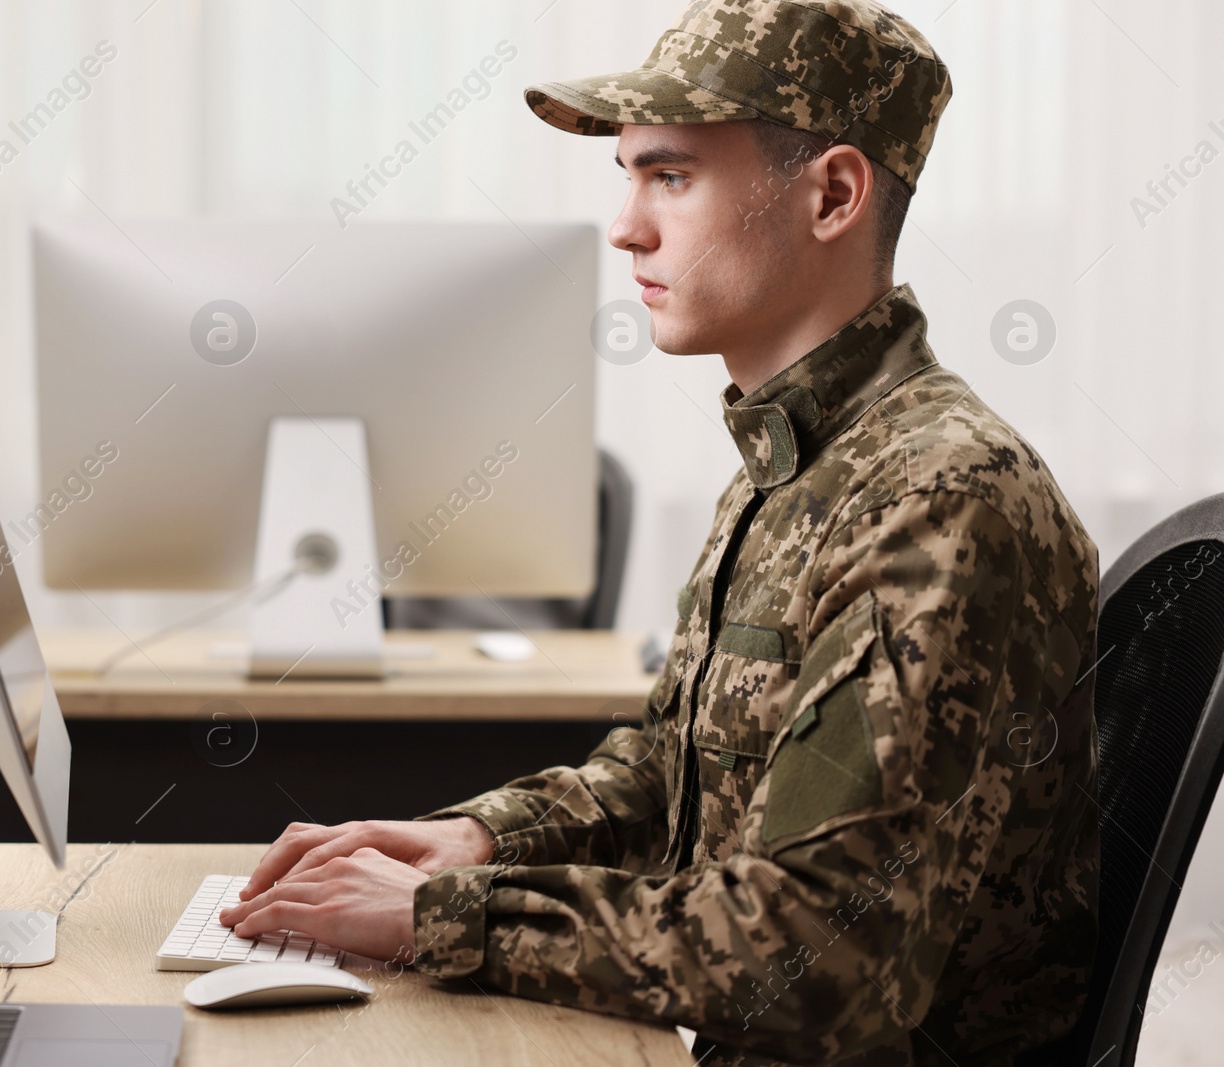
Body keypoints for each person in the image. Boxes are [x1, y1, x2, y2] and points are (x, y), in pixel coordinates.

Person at [221, 1, 1101, 1061]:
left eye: (671, 176)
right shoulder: (799, 467)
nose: (626, 226)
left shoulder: (937, 499)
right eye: (628, 176)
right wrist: (479, 837)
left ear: (830, 194)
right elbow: (672, 778)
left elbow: (812, 950)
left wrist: (441, 916)